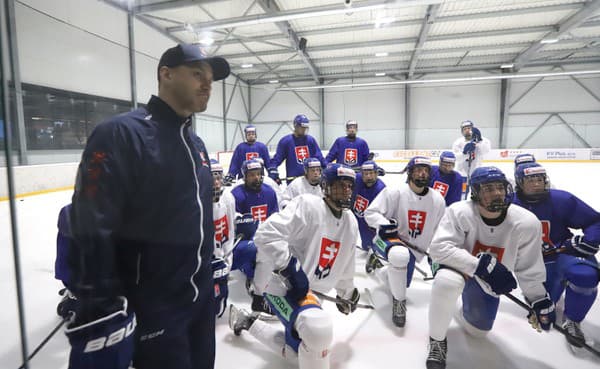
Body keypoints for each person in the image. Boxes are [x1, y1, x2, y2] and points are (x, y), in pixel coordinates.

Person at [65, 43, 230, 369]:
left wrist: (211, 266)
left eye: (210, 78)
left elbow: (194, 217)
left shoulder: (195, 143)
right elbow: (91, 224)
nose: (207, 84)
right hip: (155, 309)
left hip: (199, 301)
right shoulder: (120, 134)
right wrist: (101, 305)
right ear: (165, 74)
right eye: (197, 74)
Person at [228, 163, 360, 369]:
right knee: (317, 331)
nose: (346, 190)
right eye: (339, 185)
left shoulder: (350, 221)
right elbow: (265, 234)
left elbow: (346, 261)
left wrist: (347, 292)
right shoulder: (308, 206)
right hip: (283, 288)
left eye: (349, 186)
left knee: (300, 352)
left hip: (312, 297)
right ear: (326, 186)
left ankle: (248, 321)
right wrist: (289, 267)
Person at [426, 166, 555, 369]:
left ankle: (461, 309)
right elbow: (438, 249)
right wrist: (479, 265)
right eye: (487, 189)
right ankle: (437, 339)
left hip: (489, 281)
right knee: (447, 283)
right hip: (455, 267)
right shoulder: (459, 211)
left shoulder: (527, 222)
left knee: (478, 331)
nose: (496, 193)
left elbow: (528, 266)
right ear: (475, 193)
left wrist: (538, 298)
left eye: (499, 187)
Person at [512, 162, 600, 351]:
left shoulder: (561, 199)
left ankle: (573, 320)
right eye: (530, 180)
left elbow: (595, 220)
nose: (537, 184)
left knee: (586, 276)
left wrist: (590, 240)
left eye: (540, 179)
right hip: (531, 260)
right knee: (544, 303)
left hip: (562, 252)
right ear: (519, 183)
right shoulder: (509, 204)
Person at [364, 156, 445, 327]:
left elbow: (439, 229)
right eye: (418, 170)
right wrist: (385, 224)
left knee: (402, 282)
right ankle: (399, 302)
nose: (422, 174)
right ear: (410, 173)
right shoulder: (396, 192)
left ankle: (378, 266)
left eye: (426, 170)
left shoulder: (437, 200)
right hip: (389, 240)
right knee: (400, 260)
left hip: (415, 249)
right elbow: (370, 213)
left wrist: (437, 253)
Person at [231, 158, 280, 314]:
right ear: (244, 176)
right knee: (252, 252)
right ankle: (255, 279)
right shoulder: (235, 195)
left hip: (265, 237)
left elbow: (275, 219)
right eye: (251, 175)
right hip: (244, 240)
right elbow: (233, 226)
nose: (256, 178)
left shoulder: (269, 192)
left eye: (258, 174)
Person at [209, 159, 236, 318]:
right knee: (214, 309)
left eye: (219, 178)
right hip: (209, 262)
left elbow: (231, 226)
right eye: (212, 179)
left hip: (227, 255)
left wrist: (227, 257)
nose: (216, 183)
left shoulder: (229, 198)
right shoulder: (198, 201)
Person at [268, 114, 326, 184]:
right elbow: (277, 159)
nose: (304, 130)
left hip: (311, 180)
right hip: (294, 182)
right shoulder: (286, 141)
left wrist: (326, 167)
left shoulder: (311, 140)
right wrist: (273, 170)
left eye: (305, 128)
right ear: (296, 126)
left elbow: (319, 157)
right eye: (302, 127)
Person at [351, 160, 386, 252]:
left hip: (367, 223)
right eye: (365, 174)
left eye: (371, 173)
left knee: (369, 247)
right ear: (361, 174)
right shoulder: (357, 178)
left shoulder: (381, 189)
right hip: (353, 215)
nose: (369, 176)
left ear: (376, 173)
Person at [452, 120, 491, 193]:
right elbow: (456, 158)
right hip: (462, 173)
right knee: (463, 193)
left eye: (469, 128)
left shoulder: (483, 140)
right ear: (462, 131)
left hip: (477, 173)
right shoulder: (458, 142)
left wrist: (480, 141)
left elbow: (486, 151)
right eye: (464, 129)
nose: (467, 130)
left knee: (477, 193)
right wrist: (464, 153)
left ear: (472, 129)